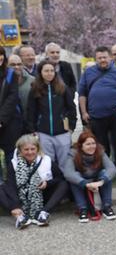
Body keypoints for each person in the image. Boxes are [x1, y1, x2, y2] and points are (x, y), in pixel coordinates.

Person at [78, 46, 116, 181]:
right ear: (96, 59)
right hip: (96, 116)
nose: (102, 60)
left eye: (105, 57)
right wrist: (84, 112)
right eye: (99, 58)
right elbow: (82, 94)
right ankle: (104, 171)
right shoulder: (88, 73)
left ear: (110, 58)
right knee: (101, 146)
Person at [0, 133, 68, 228]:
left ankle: (43, 213)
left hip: (42, 195)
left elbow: (59, 178)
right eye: (26, 149)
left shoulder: (46, 160)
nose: (30, 152)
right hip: (21, 198)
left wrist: (47, 183)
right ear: (20, 150)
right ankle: (19, 215)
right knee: (2, 188)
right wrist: (15, 205)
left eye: (33, 149)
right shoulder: (13, 163)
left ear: (38, 149)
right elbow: (10, 185)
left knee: (64, 184)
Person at [26, 60, 77, 170]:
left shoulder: (63, 88)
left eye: (52, 71)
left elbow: (71, 108)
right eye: (46, 71)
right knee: (48, 163)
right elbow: (31, 111)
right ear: (41, 73)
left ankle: (66, 185)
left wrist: (71, 127)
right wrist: (33, 129)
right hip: (43, 133)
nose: (49, 73)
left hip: (62, 132)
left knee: (65, 163)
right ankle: (51, 185)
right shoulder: (35, 89)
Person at [62, 131, 116, 222]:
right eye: (88, 144)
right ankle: (82, 209)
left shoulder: (100, 151)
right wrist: (86, 184)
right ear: (81, 145)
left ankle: (107, 206)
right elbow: (68, 173)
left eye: (93, 143)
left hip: (97, 181)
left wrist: (101, 182)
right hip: (82, 182)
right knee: (74, 176)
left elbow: (112, 169)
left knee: (105, 174)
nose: (92, 146)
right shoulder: (73, 153)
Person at [0, 47, 21, 181]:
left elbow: (12, 98)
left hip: (9, 122)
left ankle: (11, 187)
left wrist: (1, 120)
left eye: (1, 55)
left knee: (10, 157)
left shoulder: (11, 74)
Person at [8, 54, 34, 125]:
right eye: (12, 65)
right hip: (9, 125)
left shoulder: (33, 81)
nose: (16, 67)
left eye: (19, 64)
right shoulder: (3, 83)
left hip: (29, 124)